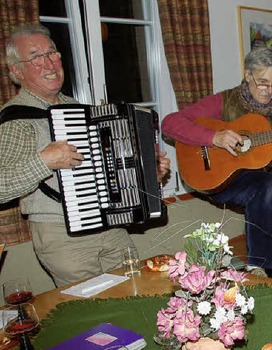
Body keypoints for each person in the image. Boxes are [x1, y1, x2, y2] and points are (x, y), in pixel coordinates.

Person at [0, 23, 170, 286]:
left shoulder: (79, 109)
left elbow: (109, 168)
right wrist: (44, 161)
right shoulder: (16, 118)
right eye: (36, 56)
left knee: (134, 295)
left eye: (52, 53)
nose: (49, 62)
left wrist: (147, 174)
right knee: (91, 314)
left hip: (111, 227)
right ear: (16, 70)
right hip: (61, 236)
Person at [161, 47, 272, 277]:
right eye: (263, 82)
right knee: (267, 185)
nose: (269, 91)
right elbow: (169, 123)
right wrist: (214, 137)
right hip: (216, 178)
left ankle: (260, 271)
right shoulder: (225, 100)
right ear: (247, 76)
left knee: (267, 185)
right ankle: (265, 270)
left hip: (259, 185)